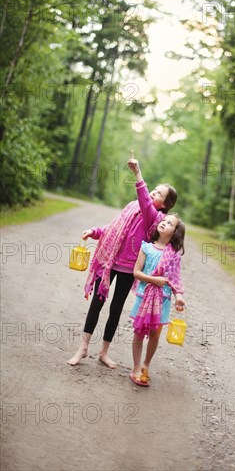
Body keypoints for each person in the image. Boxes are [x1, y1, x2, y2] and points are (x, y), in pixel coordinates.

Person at [67, 157, 177, 368]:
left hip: (128, 268)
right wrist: (95, 232)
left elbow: (145, 200)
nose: (153, 192)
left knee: (116, 308)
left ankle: (104, 351)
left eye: (159, 194)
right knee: (96, 304)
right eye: (154, 189)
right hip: (109, 262)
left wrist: (137, 173)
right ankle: (83, 347)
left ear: (164, 205)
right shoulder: (131, 206)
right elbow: (113, 228)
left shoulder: (153, 217)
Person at [129, 213, 186, 387]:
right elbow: (136, 273)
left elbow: (176, 278)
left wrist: (179, 296)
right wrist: (154, 280)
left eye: (169, 223)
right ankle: (136, 367)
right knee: (139, 333)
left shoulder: (174, 254)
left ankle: (146, 364)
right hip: (144, 296)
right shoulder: (146, 247)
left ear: (175, 232)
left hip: (163, 300)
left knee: (155, 334)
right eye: (163, 220)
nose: (164, 223)